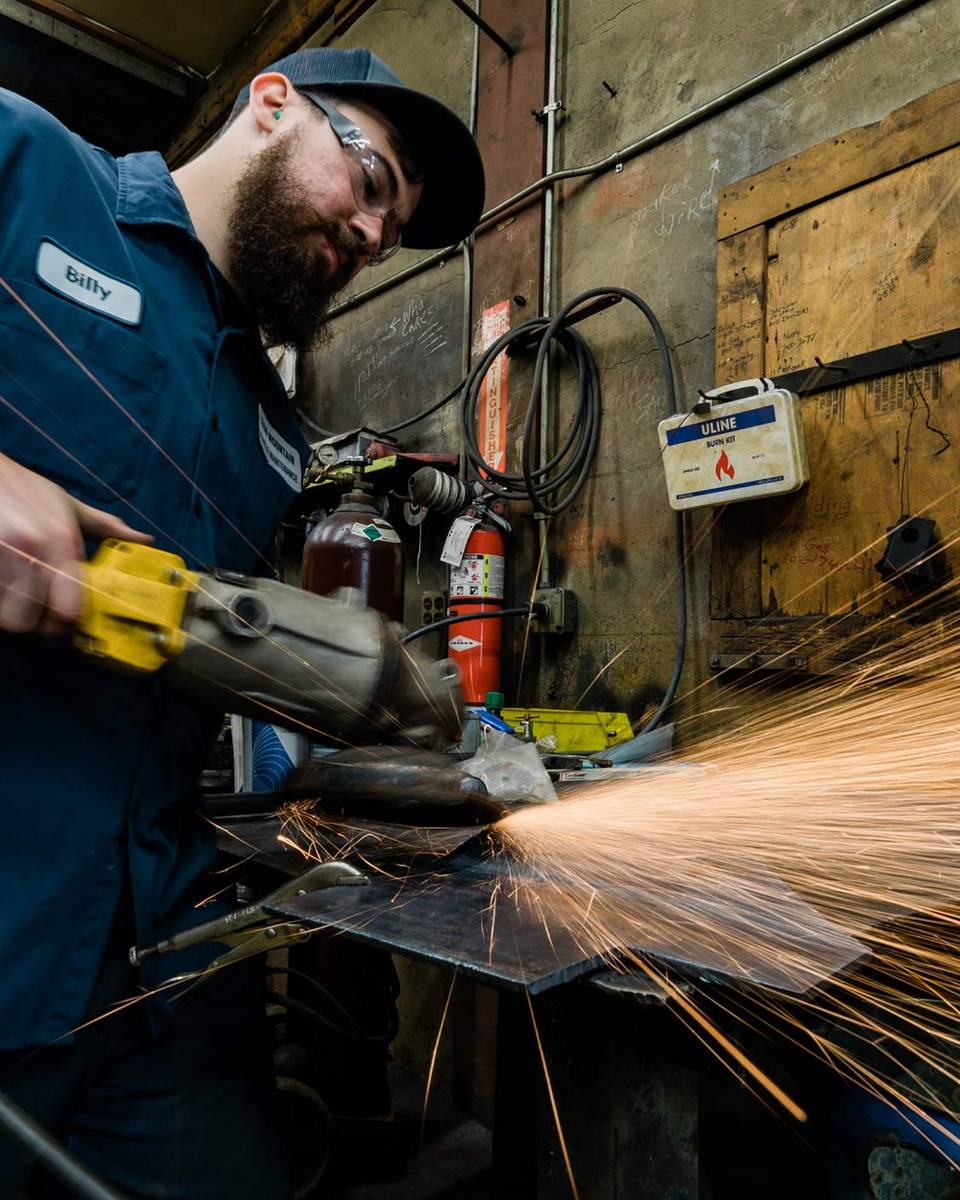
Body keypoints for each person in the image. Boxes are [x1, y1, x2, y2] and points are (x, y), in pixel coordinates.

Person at [0, 47, 484, 1197]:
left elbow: (194, 652)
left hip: (163, 968)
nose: (375, 234)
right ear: (273, 103)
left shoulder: (275, 432)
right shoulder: (24, 163)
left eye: (394, 227)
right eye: (370, 180)